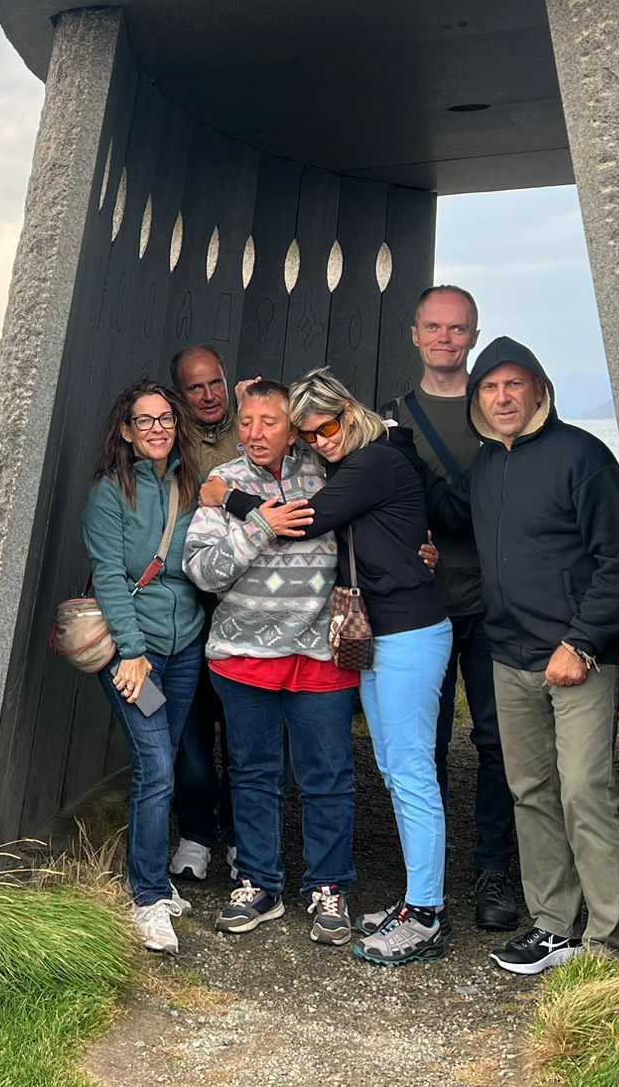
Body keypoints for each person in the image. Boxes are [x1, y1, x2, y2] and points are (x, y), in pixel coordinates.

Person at [224, 366, 454, 967]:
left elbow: (307, 519)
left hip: (408, 631)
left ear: (348, 414)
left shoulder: (373, 460)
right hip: (380, 633)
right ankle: (416, 902)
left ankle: (426, 913)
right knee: (392, 767)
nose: (319, 443)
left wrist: (228, 497)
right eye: (307, 436)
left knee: (410, 773)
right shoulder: (359, 459)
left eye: (325, 428)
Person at [429, 338, 619, 973]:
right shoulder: (489, 463)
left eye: (514, 386)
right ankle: (553, 925)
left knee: (585, 790)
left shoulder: (584, 457)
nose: (502, 398)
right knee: (531, 791)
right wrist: (398, 457)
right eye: (490, 388)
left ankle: (610, 945)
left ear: (538, 391)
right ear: (478, 400)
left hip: (581, 659)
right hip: (508, 653)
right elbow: (455, 514)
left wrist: (580, 641)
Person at [182, 379, 360, 945]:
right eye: (247, 422)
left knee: (326, 777)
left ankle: (329, 887)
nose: (255, 434)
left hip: (319, 651)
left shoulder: (329, 471)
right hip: (242, 654)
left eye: (269, 422)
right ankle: (258, 882)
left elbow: (368, 512)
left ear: (293, 425)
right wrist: (261, 526)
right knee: (254, 775)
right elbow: (203, 571)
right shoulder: (222, 484)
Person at [381, 286, 522, 932]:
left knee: (499, 743)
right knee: (423, 748)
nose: (445, 338)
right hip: (422, 609)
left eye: (457, 329)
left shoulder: (500, 410)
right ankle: (423, 878)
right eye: (433, 327)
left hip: (498, 606)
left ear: (472, 334)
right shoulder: (393, 421)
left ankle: (495, 872)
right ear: (415, 334)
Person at [82, 378, 207, 955]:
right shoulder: (111, 493)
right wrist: (131, 652)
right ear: (127, 432)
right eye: (145, 420)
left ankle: (153, 878)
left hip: (186, 649)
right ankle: (149, 897)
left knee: (170, 755)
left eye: (165, 419)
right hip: (137, 652)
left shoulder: (190, 483)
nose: (157, 428)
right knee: (154, 764)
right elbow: (109, 575)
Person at [168, 344, 238, 881]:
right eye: (196, 387)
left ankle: (240, 834)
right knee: (190, 727)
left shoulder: (254, 428)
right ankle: (196, 830)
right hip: (188, 603)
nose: (209, 395)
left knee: (244, 726)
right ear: (181, 393)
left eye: (215, 382)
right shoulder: (168, 441)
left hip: (244, 600)